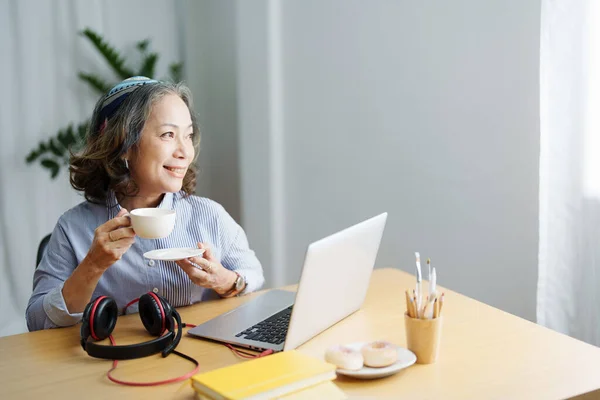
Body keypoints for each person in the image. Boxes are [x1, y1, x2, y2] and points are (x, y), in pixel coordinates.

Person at [26, 76, 264, 331]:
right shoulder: (73, 228)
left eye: (188, 135)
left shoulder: (210, 216)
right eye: (168, 135)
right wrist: (92, 266)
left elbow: (254, 276)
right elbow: (38, 322)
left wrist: (225, 281)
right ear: (123, 145)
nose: (185, 151)